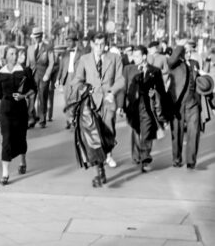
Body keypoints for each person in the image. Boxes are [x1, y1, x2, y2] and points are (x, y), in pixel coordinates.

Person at [72, 32, 125, 184]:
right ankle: (100, 171)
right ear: (92, 44)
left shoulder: (115, 59)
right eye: (97, 44)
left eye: (103, 44)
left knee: (108, 136)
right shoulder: (84, 59)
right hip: (90, 105)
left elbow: (121, 80)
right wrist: (84, 89)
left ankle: (104, 158)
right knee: (94, 139)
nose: (100, 47)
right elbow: (77, 81)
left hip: (108, 104)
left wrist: (112, 92)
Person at [119, 45, 167, 173]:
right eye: (133, 56)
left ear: (144, 56)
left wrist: (157, 99)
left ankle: (145, 158)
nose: (134, 58)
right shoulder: (128, 69)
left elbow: (161, 90)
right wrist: (121, 106)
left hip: (147, 107)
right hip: (133, 106)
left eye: (137, 56)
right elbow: (123, 89)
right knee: (136, 130)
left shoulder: (155, 71)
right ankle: (136, 156)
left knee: (146, 132)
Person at [0, 45, 36, 185]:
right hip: (5, 110)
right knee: (6, 139)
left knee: (21, 137)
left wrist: (23, 95)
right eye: (11, 54)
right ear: (5, 56)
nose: (14, 56)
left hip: (20, 109)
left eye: (15, 54)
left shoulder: (25, 71)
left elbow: (33, 90)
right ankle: (5, 173)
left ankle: (23, 160)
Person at [167, 45, 202, 169]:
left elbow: (199, 81)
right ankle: (176, 159)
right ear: (180, 53)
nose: (188, 54)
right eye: (185, 52)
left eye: (189, 51)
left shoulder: (195, 64)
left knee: (194, 131)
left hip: (192, 102)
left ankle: (191, 161)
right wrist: (181, 46)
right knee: (177, 131)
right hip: (177, 104)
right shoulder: (173, 65)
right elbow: (172, 59)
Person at [26, 27, 55, 127]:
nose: (36, 39)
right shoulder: (29, 48)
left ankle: (42, 119)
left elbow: (51, 62)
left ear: (41, 36)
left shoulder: (48, 47)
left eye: (38, 37)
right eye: (35, 37)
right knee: (30, 97)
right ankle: (31, 118)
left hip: (43, 76)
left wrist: (47, 74)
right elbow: (27, 64)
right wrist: (26, 76)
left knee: (42, 97)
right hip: (32, 76)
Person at [56, 33, 83, 129]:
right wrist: (58, 79)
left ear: (75, 42)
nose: (68, 43)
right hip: (66, 77)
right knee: (66, 99)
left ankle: (74, 118)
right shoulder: (64, 54)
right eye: (67, 41)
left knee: (75, 99)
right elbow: (61, 67)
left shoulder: (81, 53)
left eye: (70, 41)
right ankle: (68, 120)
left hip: (76, 78)